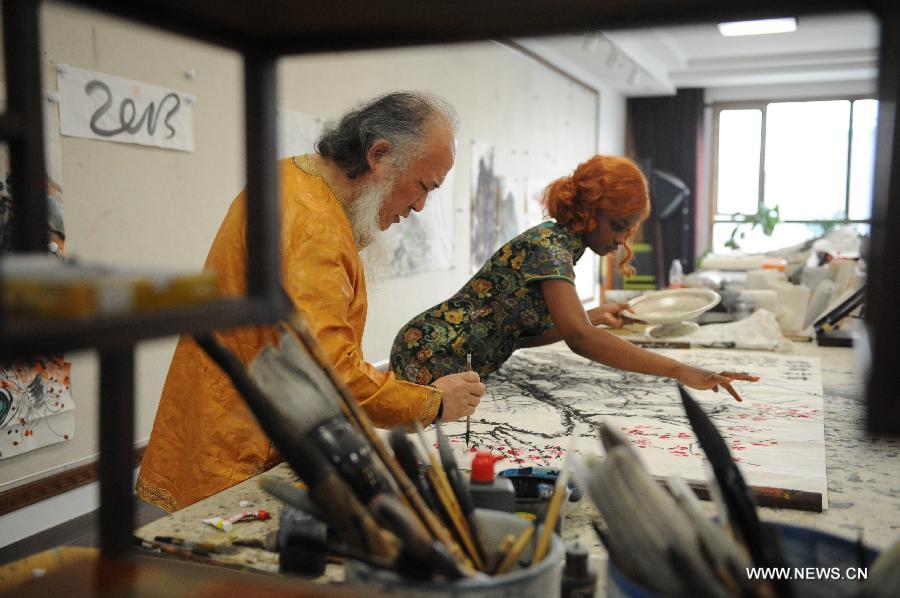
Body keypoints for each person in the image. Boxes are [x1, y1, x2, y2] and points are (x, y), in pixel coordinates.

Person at [137, 92, 485, 512]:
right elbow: (329, 371)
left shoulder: (290, 178)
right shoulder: (313, 226)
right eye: (423, 186)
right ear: (379, 155)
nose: (419, 206)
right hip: (244, 442)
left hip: (226, 410)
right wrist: (435, 402)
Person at [390, 155, 758, 401]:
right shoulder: (548, 248)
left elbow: (517, 336)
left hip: (455, 358)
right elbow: (581, 341)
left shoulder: (560, 245)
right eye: (617, 226)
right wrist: (680, 370)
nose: (619, 240)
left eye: (627, 231)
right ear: (590, 211)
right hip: (431, 353)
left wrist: (592, 316)